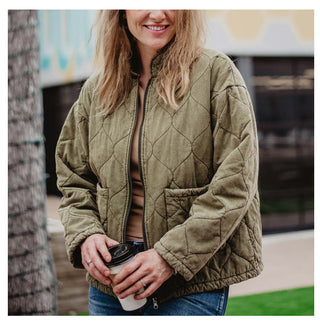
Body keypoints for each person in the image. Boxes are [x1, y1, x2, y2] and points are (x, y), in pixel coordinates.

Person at [55, 10, 263, 316]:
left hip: (191, 280)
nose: (157, 12)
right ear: (122, 12)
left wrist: (169, 258)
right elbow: (73, 178)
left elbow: (235, 184)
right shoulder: (96, 90)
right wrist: (86, 234)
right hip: (113, 281)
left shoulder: (217, 74)